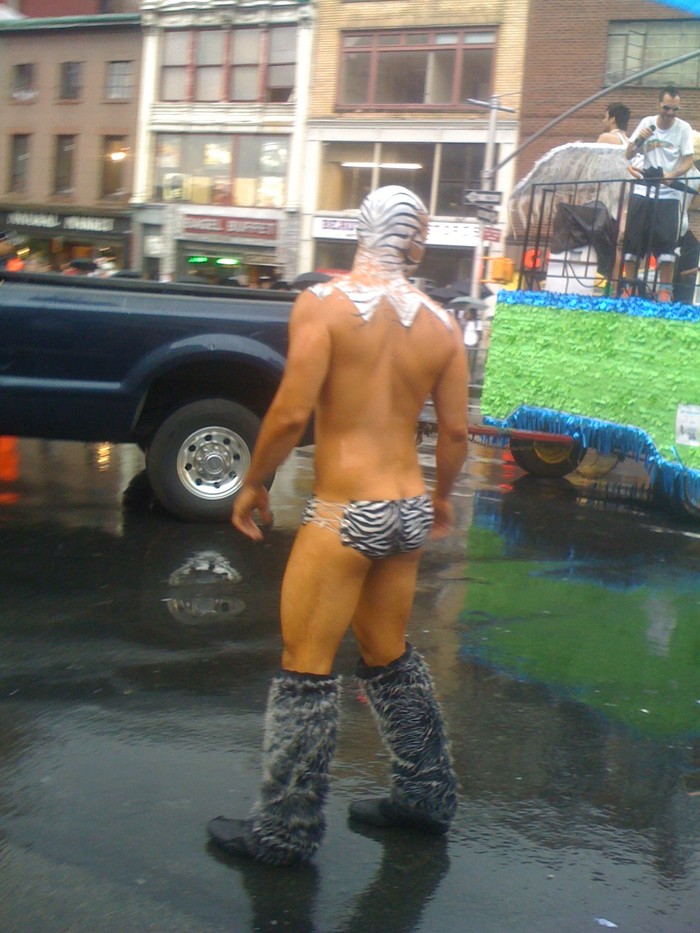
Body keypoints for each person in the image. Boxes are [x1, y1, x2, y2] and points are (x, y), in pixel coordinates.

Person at [207, 185, 469, 866]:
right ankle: (425, 794)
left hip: (345, 510)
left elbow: (292, 412)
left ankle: (284, 831)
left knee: (306, 665)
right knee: (388, 653)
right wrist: (442, 499)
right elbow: (455, 432)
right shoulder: (443, 325)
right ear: (416, 243)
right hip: (407, 507)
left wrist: (254, 481)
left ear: (360, 232)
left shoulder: (321, 305)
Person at [621, 85, 696, 302]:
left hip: (668, 194)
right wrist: (639, 139)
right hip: (644, 190)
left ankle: (665, 291)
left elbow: (688, 160)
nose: (670, 113)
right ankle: (630, 287)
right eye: (666, 108)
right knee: (633, 241)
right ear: (658, 105)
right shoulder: (647, 123)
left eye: (675, 109)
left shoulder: (683, 128)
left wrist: (672, 175)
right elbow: (628, 155)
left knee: (666, 244)